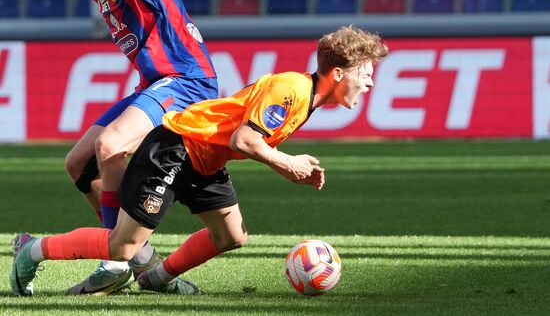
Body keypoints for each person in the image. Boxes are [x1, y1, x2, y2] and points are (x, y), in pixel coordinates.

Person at [10, 26, 388, 297]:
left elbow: (242, 140)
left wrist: (288, 164)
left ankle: (155, 279)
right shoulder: (291, 89)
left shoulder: (306, 99)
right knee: (121, 248)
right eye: (366, 74)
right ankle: (33, 249)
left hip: (205, 158)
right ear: (338, 73)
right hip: (175, 148)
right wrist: (287, 164)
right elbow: (245, 139)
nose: (370, 83)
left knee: (231, 236)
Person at [40, 0, 218, 295]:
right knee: (78, 164)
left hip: (187, 78)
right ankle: (140, 260)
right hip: (154, 82)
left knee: (110, 145)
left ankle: (115, 261)